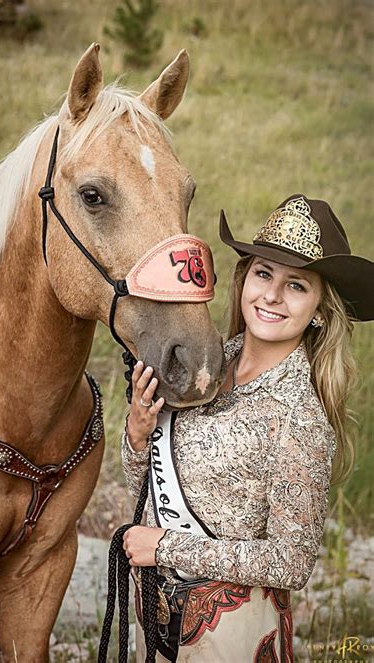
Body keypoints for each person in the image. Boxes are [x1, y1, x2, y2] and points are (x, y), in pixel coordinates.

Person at [120, 194, 374, 662]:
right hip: (154, 618)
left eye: (295, 285)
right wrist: (137, 435)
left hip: (232, 636)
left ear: (319, 308)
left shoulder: (300, 417)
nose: (272, 296)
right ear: (243, 281)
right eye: (263, 274)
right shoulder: (205, 365)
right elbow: (147, 487)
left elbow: (290, 561)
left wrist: (168, 548)